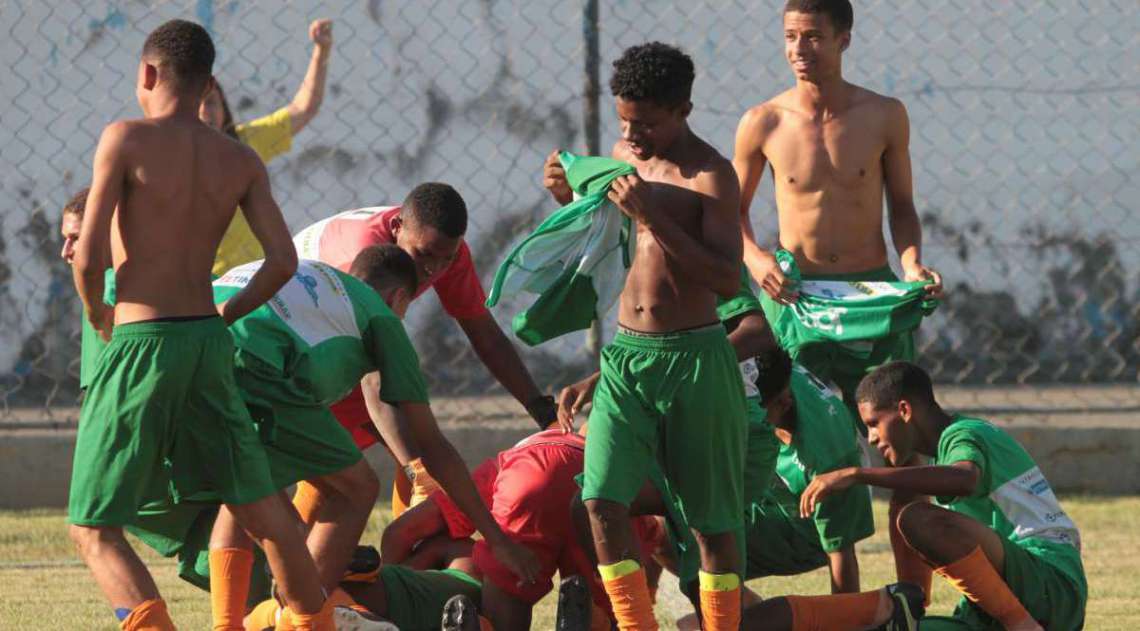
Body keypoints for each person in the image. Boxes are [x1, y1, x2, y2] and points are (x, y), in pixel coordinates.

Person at [67, 19, 331, 629]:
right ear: (208, 82)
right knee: (264, 510)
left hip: (141, 343)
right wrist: (227, 312)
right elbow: (284, 260)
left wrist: (97, 313)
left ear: (147, 74)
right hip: (209, 344)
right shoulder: (238, 158)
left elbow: (87, 256)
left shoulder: (124, 138)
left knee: (93, 526)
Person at [196, 246, 539, 628]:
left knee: (246, 488)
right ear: (400, 298)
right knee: (357, 488)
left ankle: (232, 624)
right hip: (251, 363)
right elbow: (432, 444)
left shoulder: (321, 279)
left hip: (188, 348)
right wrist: (497, 539)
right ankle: (304, 620)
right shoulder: (381, 317)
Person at [732, 0, 941, 594]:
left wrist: (911, 265)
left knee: (899, 453)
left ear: (844, 39)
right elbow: (733, 215)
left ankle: (912, 599)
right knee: (810, 443)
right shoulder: (763, 121)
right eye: (791, 38)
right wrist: (758, 259)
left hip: (871, 298)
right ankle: (843, 600)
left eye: (814, 37)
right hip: (798, 303)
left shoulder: (883, 115)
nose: (800, 50)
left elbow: (901, 207)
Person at [544, 42, 747, 630]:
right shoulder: (621, 159)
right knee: (601, 501)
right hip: (628, 356)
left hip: (695, 359)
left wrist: (652, 216)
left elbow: (725, 276)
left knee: (711, 524)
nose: (632, 135)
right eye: (625, 120)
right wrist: (568, 194)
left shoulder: (711, 174)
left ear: (683, 109)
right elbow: (601, 231)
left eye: (647, 124)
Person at [292, 183, 563, 515]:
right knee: (360, 474)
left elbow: (484, 334)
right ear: (396, 229)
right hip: (295, 347)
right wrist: (418, 468)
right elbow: (375, 379)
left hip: (332, 341)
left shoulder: (441, 251)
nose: (432, 270)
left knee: (362, 466)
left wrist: (541, 410)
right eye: (422, 256)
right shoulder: (364, 262)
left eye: (445, 259)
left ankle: (394, 555)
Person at [801, 362, 1087, 631]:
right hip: (995, 607)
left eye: (874, 423)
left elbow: (963, 479)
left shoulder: (964, 434)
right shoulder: (939, 459)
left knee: (917, 519)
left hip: (1049, 582)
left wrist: (858, 474)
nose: (872, 437)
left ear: (903, 410)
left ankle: (1022, 626)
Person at [199, 18, 334, 275]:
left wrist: (321, 51)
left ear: (224, 108)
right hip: (203, 284)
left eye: (211, 102)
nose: (204, 111)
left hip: (252, 279)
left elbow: (304, 108)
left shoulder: (245, 142)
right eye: (197, 103)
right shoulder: (171, 155)